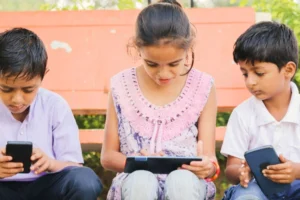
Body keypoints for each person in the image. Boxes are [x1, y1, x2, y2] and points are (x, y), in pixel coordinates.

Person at [101, 0, 220, 199]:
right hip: (135, 183)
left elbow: (210, 159)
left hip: (187, 184)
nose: (163, 73)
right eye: (152, 64)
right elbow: (108, 156)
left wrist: (207, 168)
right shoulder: (121, 85)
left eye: (174, 63)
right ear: (138, 49)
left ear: (188, 49)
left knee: (180, 182)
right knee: (142, 180)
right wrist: (137, 162)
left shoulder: (203, 85)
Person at [0, 27, 102, 200]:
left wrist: (50, 163)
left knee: (85, 180)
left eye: (28, 89)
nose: (17, 99)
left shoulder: (55, 106)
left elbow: (73, 166)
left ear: (42, 77)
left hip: (47, 187)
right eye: (6, 89)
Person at [221, 21, 300, 200]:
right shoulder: (242, 114)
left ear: (288, 70)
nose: (250, 82)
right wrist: (243, 171)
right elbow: (232, 167)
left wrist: (296, 171)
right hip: (256, 188)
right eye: (245, 73)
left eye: (259, 73)